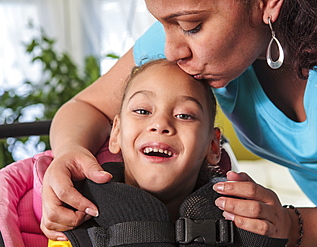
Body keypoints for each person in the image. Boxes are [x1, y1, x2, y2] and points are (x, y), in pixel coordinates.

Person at [41, 0, 317, 246]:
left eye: (191, 26)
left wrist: (292, 224)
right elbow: (87, 106)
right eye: (163, 25)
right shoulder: (191, 33)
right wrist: (68, 152)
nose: (171, 52)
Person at [48, 59, 288, 247]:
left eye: (184, 115)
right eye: (142, 110)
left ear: (212, 147)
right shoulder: (78, 213)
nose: (160, 124)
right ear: (116, 133)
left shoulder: (241, 217)